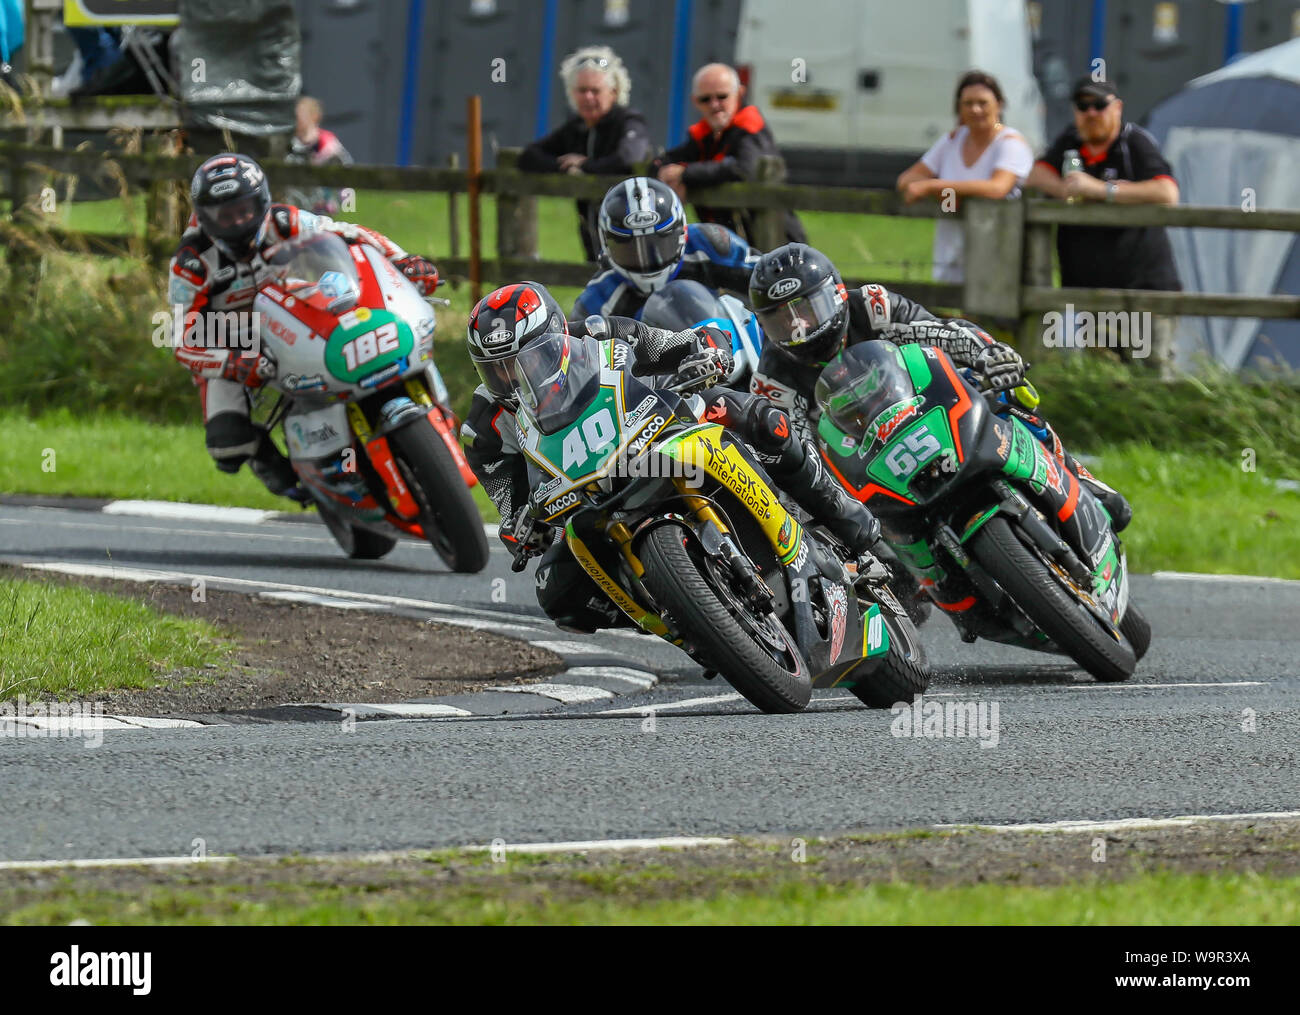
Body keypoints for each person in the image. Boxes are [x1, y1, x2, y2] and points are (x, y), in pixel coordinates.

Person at [461, 281, 879, 633]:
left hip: (658, 429)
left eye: (523, 361)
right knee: (558, 593)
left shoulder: (596, 332)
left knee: (768, 423)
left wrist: (707, 347)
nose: (513, 377)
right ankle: (687, 617)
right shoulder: (483, 429)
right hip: (584, 497)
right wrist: (525, 531)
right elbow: (511, 508)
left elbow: (669, 345)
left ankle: (842, 515)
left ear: (556, 338)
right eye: (496, 369)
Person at [746, 242, 1132, 534]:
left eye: (808, 309)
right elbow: (794, 453)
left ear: (837, 295)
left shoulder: (873, 307)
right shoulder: (772, 379)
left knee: (1007, 398)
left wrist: (989, 355)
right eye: (783, 321)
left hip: (928, 407)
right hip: (864, 463)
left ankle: (1079, 478)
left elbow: (941, 334)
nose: (800, 328)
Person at [170, 153, 440, 500]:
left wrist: (403, 260)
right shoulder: (190, 262)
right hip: (233, 340)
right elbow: (179, 334)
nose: (238, 221)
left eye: (245, 209)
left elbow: (348, 233)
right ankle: (286, 476)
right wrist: (230, 360)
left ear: (262, 200)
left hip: (298, 310)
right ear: (204, 215)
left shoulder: (282, 219)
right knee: (227, 444)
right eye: (224, 215)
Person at [1025, 76, 1181, 372]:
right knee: (1104, 379)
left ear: (1117, 108)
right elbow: (1035, 175)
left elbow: (1167, 193)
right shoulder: (1070, 141)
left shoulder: (1134, 142)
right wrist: (1068, 189)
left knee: (1152, 377)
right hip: (1090, 295)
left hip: (1144, 293)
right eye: (1083, 106)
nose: (1091, 113)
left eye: (1099, 105)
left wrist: (1101, 190)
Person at [895, 70, 1035, 283]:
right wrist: (947, 192)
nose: (975, 109)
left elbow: (998, 187)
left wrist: (935, 187)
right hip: (951, 254)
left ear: (999, 104)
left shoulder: (1011, 143)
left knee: (985, 315)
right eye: (968, 103)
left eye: (983, 102)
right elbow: (907, 180)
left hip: (998, 256)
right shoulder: (952, 140)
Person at [518, 46, 653, 262]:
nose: (588, 97)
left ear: (614, 92)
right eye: (581, 90)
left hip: (632, 229)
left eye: (595, 90)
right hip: (590, 228)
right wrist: (562, 166)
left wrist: (585, 166)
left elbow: (629, 157)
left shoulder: (629, 121)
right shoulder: (576, 127)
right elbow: (529, 156)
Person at [651, 62, 806, 245]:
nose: (715, 105)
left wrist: (685, 174)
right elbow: (663, 162)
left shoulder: (750, 126)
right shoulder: (704, 134)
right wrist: (665, 174)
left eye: (722, 96)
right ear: (695, 101)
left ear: (740, 93)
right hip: (730, 244)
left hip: (773, 243)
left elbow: (744, 169)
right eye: (705, 99)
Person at [572, 176, 759, 320]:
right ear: (607, 246)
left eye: (657, 245)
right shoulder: (599, 297)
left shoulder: (708, 243)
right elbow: (579, 360)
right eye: (630, 249)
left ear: (682, 233)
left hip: (728, 354)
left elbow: (768, 279)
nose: (646, 259)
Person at [284, 95, 354, 215]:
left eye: (300, 114)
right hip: (293, 210)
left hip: (320, 211)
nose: (296, 118)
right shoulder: (288, 143)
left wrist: (348, 208)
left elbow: (346, 175)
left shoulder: (328, 146)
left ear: (314, 117)